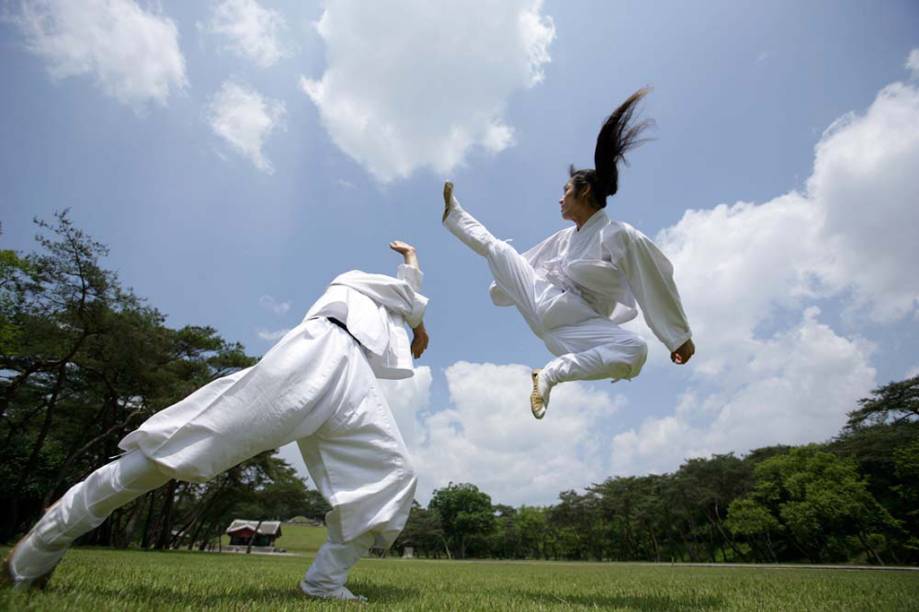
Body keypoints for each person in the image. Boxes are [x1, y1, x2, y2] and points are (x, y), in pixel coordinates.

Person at [2, 241, 430, 602]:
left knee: (393, 474)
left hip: (353, 374)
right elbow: (408, 297)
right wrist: (413, 276)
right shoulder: (354, 281)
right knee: (188, 445)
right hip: (318, 351)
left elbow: (408, 300)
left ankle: (324, 582)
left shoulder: (388, 310)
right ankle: (48, 537)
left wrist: (415, 314)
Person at [442, 88, 694, 419]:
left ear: (584, 191)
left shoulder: (618, 234)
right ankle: (454, 214)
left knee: (635, 351)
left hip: (576, 324)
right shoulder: (564, 237)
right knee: (500, 249)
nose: (560, 199)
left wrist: (678, 338)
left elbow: (651, 280)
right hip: (539, 301)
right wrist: (504, 286)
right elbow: (527, 263)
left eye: (565, 192)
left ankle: (548, 376)